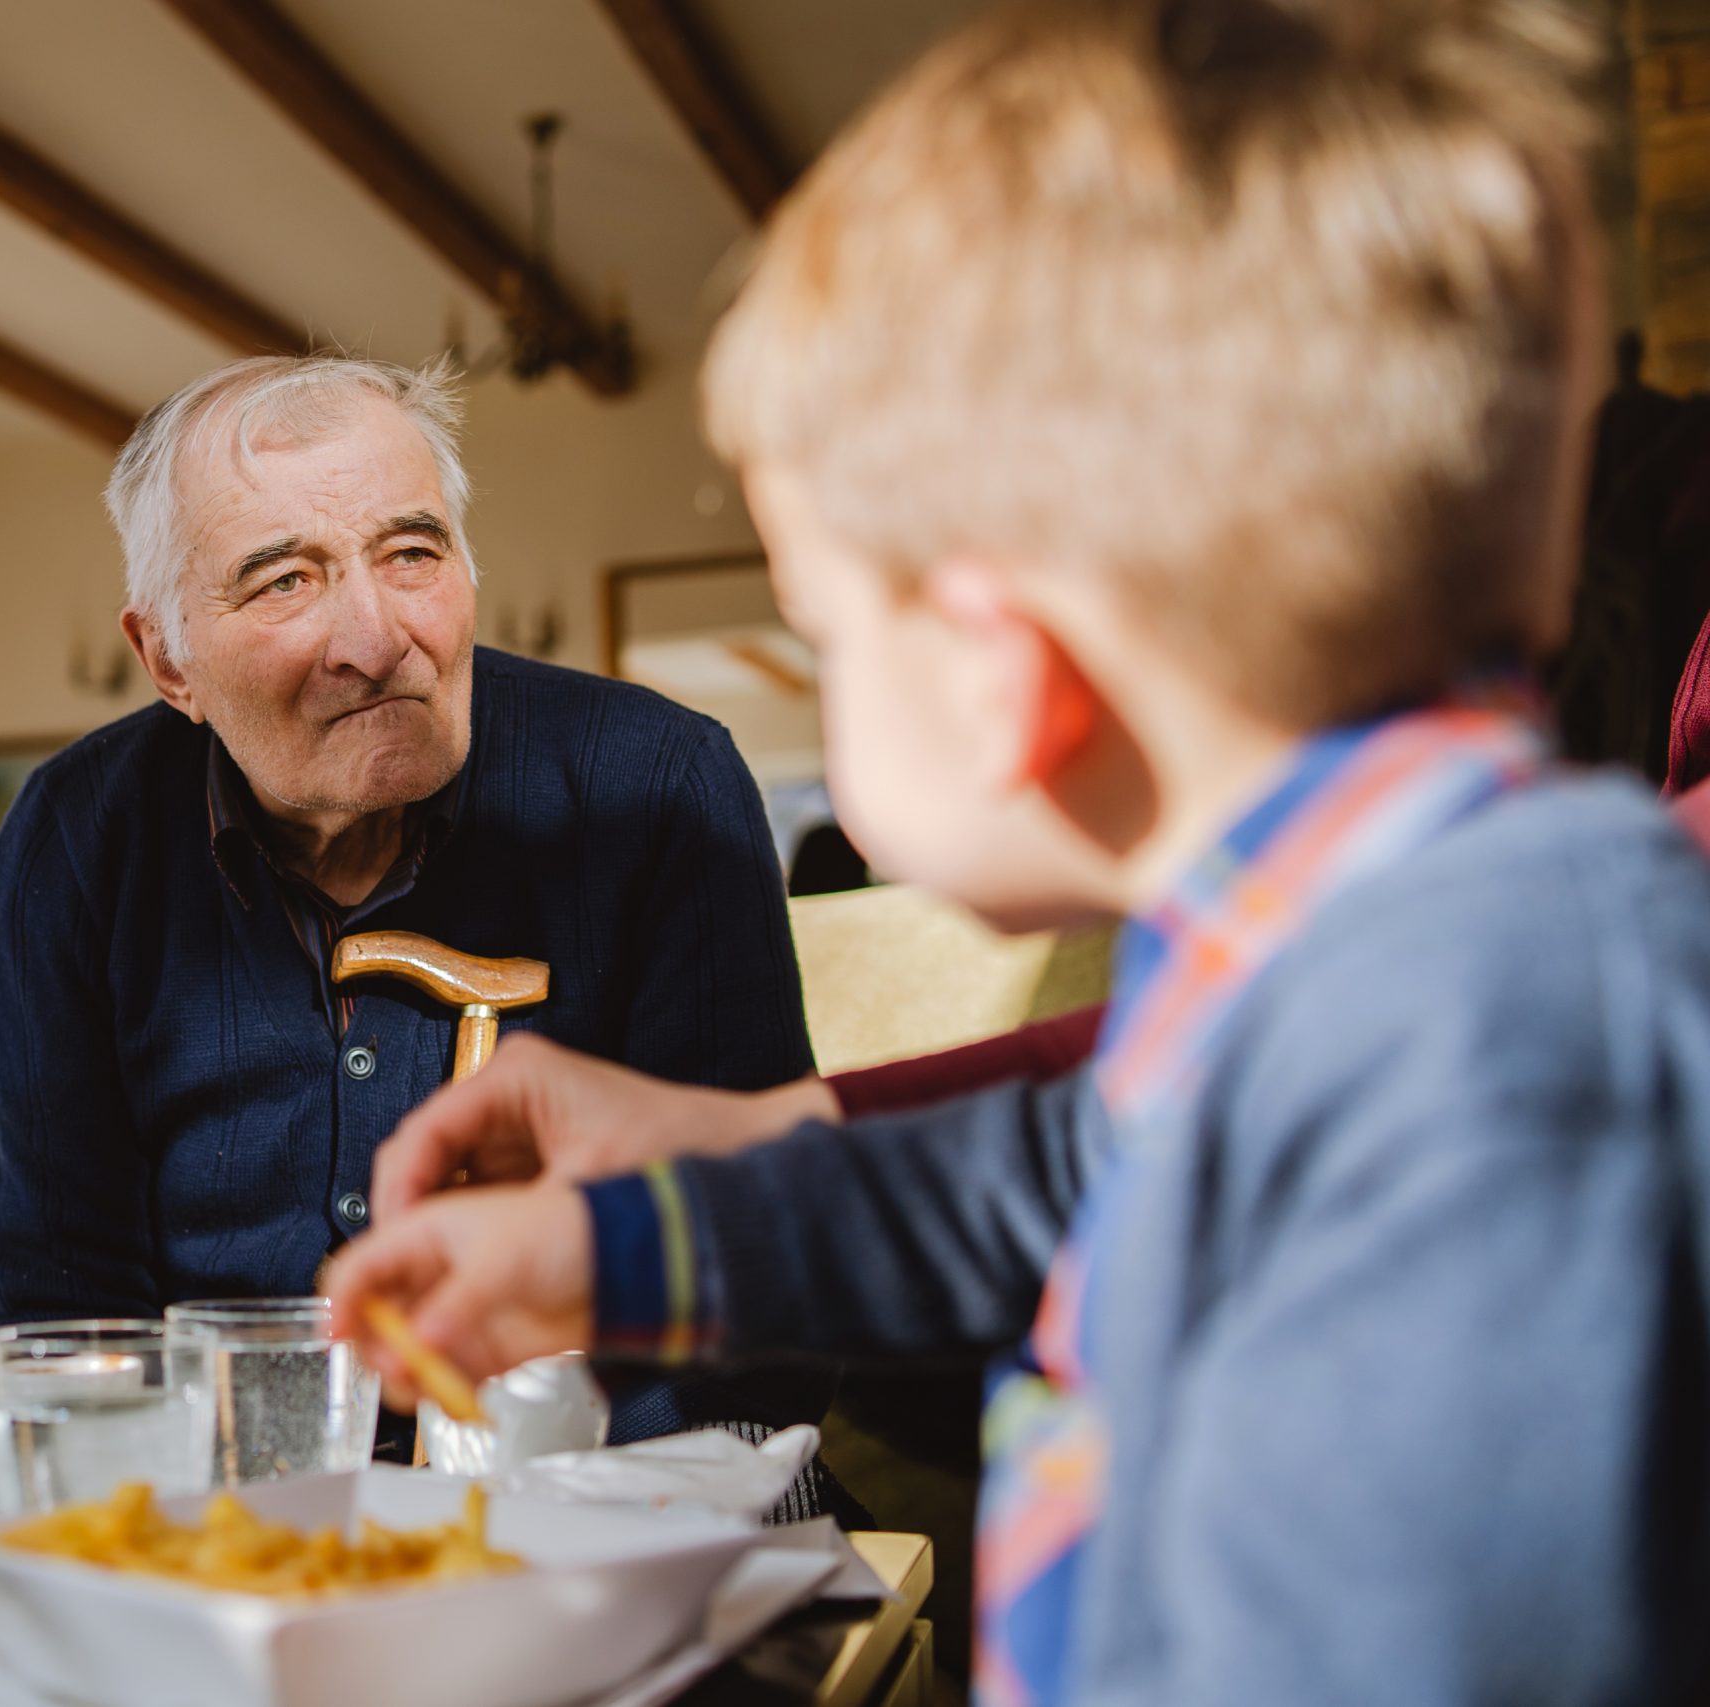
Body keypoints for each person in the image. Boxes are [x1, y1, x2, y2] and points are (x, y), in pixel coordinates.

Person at [329, 2, 1710, 1703]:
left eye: (826, 627)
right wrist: (618, 1245)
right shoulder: (1372, 964)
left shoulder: (1489, 1061)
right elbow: (1041, 1176)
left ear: (1008, 677)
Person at [0, 353, 851, 1516]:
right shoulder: (72, 844)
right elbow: (59, 1307)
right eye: (284, 581)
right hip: (224, 1521)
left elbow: (754, 1284)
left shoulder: (658, 786)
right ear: (168, 659)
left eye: (410, 555)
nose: (375, 638)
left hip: (616, 1493)